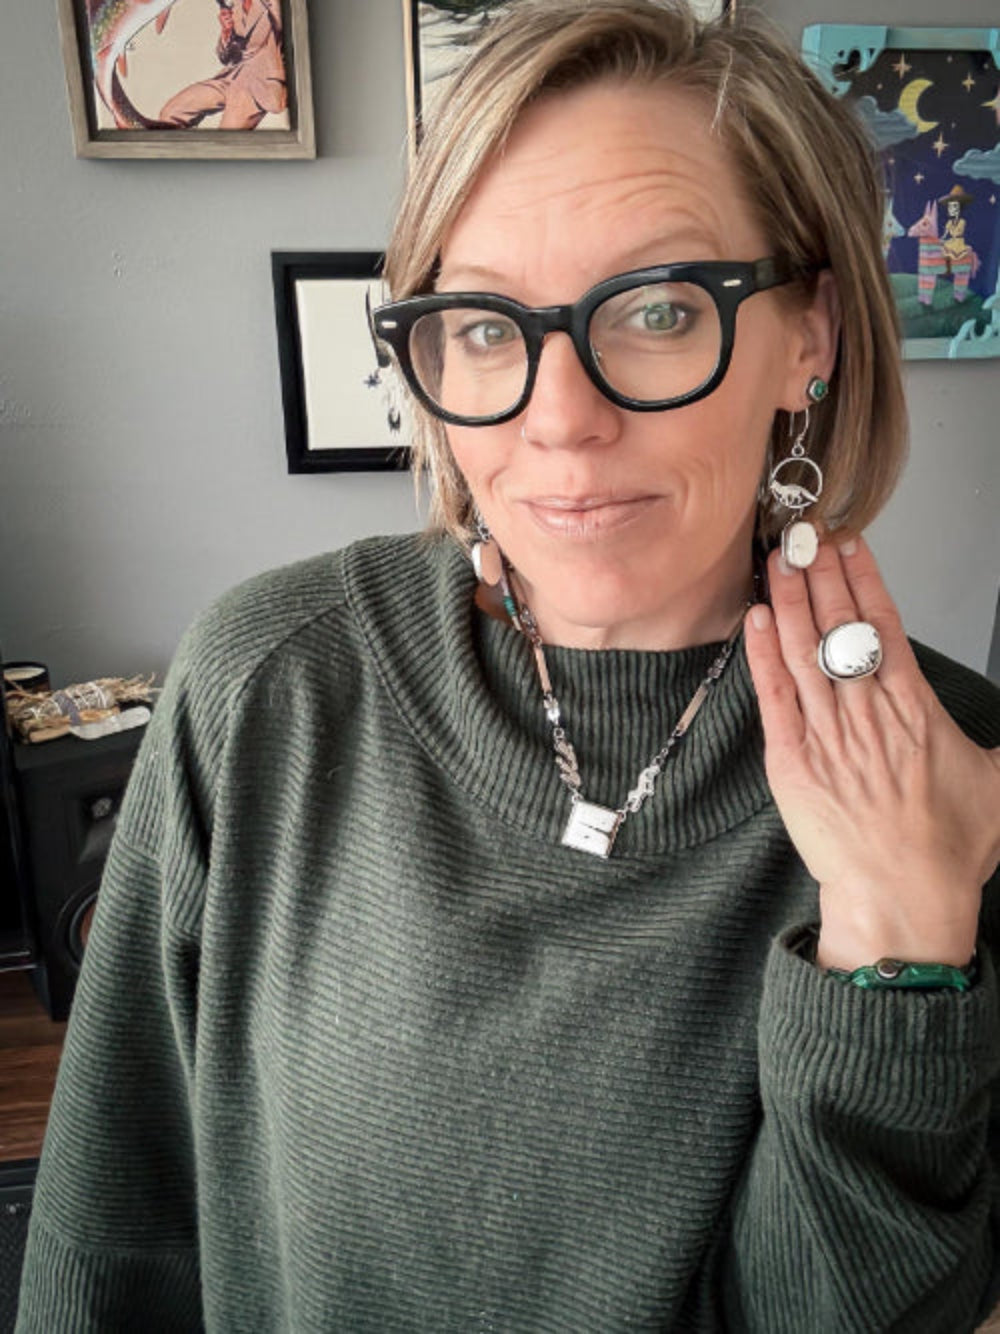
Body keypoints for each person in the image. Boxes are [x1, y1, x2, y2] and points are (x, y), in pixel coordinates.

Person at [16, 1, 1000, 1329]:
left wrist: (897, 948)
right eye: (484, 327)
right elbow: (111, 1227)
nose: (560, 419)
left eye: (655, 308)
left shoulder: (960, 780)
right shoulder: (273, 685)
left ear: (808, 334)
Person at [159, 0, 287, 131]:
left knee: (225, 138)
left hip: (259, 85)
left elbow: (288, 28)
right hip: (231, 77)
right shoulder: (236, 4)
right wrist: (226, 33)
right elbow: (225, 58)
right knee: (170, 113)